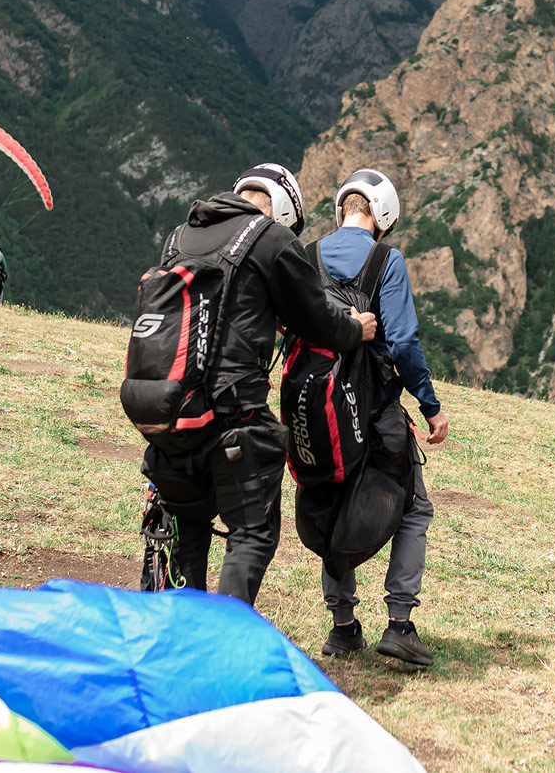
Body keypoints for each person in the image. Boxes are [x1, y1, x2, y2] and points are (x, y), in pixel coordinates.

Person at [140, 163, 377, 605]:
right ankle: (224, 648)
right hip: (232, 413)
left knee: (189, 526)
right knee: (253, 531)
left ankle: (181, 642)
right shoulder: (269, 238)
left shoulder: (180, 237)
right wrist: (354, 329)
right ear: (285, 211)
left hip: (171, 411)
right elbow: (316, 320)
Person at [315, 168, 448, 667]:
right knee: (414, 507)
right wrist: (430, 406)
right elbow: (405, 343)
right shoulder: (386, 261)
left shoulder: (307, 258)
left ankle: (343, 627)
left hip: (323, 414)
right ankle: (399, 624)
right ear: (383, 214)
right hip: (376, 414)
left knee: (332, 511)